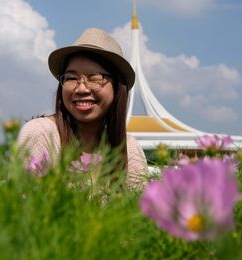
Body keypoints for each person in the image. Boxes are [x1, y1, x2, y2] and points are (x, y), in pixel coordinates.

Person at [17, 27, 148, 190]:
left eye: (95, 78)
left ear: (117, 87)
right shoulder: (41, 134)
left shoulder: (129, 149)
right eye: (71, 78)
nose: (81, 89)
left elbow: (140, 211)